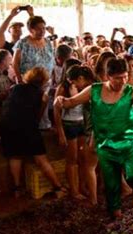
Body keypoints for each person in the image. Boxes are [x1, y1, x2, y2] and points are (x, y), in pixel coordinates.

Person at [54, 58, 133, 218]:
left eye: (125, 76)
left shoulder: (131, 91)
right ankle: (117, 217)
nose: (122, 81)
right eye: (117, 78)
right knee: (112, 184)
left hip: (129, 142)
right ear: (108, 76)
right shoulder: (94, 90)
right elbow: (70, 102)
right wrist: (60, 100)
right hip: (105, 144)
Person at [0, 67, 65, 198]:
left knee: (15, 156)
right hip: (27, 126)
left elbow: (7, 105)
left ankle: (17, 189)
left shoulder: (16, 88)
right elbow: (38, 117)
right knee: (41, 158)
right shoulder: (42, 95)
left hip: (8, 126)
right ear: (43, 82)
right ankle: (58, 188)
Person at [54, 65, 95, 200]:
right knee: (72, 159)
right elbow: (56, 109)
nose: (72, 83)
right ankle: (74, 190)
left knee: (84, 158)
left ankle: (82, 186)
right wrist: (60, 132)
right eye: (70, 81)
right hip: (69, 125)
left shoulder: (85, 87)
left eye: (74, 81)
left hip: (82, 124)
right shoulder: (63, 87)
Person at [13, 15, 54, 130]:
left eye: (44, 28)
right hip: (29, 82)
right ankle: (31, 128)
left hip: (46, 80)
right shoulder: (23, 43)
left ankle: (44, 126)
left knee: (44, 103)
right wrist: (20, 80)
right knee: (32, 106)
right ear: (31, 29)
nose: (42, 31)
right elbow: (15, 63)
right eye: (39, 28)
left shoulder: (47, 42)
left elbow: (52, 59)